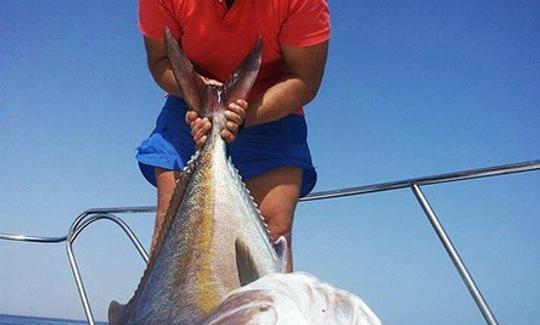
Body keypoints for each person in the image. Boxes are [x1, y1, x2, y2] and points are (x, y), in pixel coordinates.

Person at [136, 0, 330, 272]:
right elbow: (160, 60)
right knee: (173, 227)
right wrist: (200, 96)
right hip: (188, 99)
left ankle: (264, 313)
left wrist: (244, 116)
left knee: (272, 235)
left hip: (273, 105)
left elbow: (304, 80)